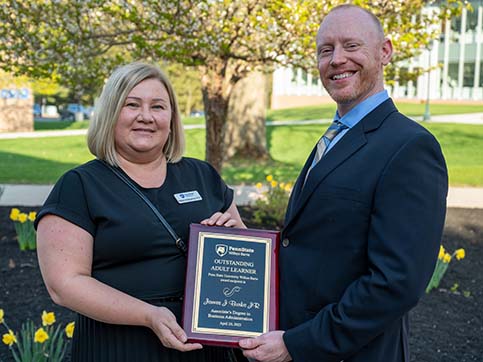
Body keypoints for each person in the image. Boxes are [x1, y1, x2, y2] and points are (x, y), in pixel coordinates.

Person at [239, 5, 448, 362]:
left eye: (352, 46)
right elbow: (309, 244)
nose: (337, 60)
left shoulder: (409, 147)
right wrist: (238, 238)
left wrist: (298, 344)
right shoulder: (336, 137)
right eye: (326, 50)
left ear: (385, 52)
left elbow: (395, 284)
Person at [35, 62, 246, 362]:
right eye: (132, 105)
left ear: (171, 118)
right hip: (120, 345)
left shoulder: (202, 176)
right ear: (111, 113)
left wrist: (237, 240)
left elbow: (247, 261)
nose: (146, 117)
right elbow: (64, 285)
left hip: (206, 345)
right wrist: (148, 315)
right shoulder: (80, 186)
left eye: (158, 106)